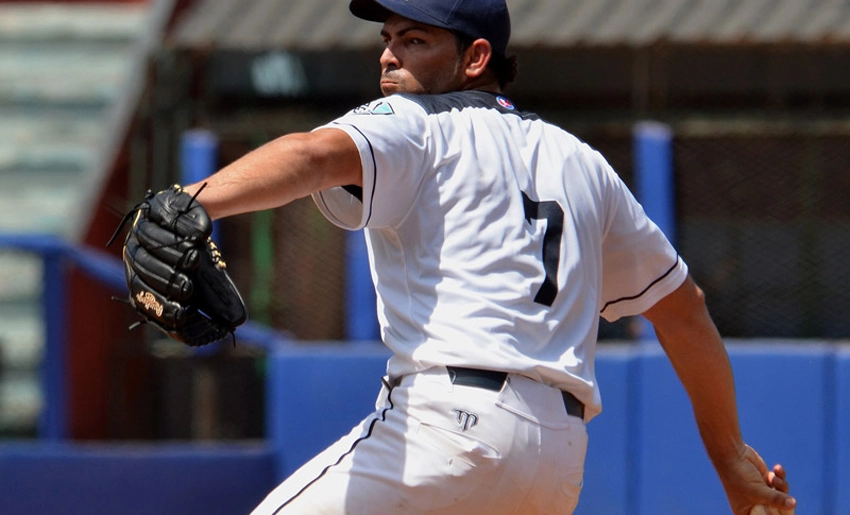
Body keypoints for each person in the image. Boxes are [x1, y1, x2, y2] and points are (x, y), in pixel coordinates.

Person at [183, 0, 796, 513]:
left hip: (447, 430)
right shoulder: (581, 161)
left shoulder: (414, 121)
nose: (389, 56)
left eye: (415, 39)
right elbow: (684, 311)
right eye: (388, 38)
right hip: (555, 462)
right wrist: (729, 460)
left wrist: (188, 202)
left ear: (475, 58)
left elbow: (311, 155)